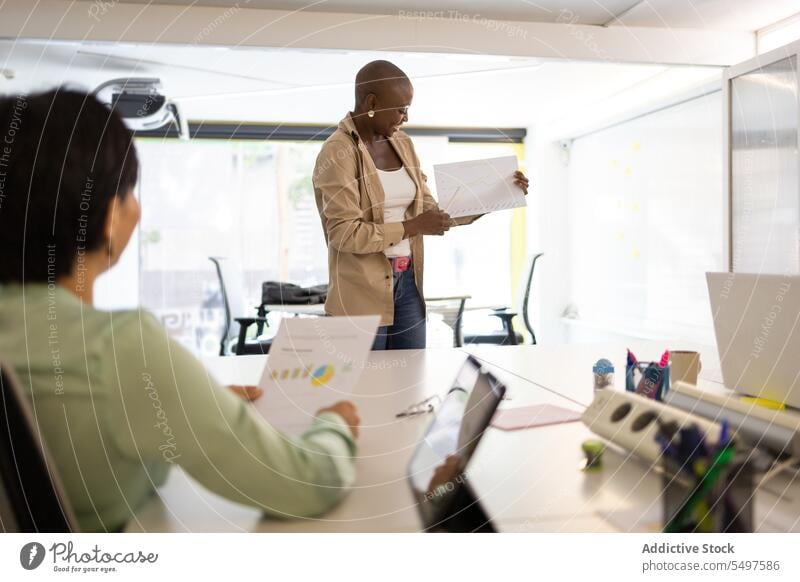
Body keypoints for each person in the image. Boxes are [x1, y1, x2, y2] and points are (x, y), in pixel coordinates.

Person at [0, 89, 360, 532]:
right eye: (130, 193)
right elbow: (307, 483)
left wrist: (185, 408)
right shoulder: (117, 347)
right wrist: (333, 425)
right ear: (111, 218)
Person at [313, 60, 529, 350]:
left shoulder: (402, 144)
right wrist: (412, 227)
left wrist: (498, 192)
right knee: (364, 391)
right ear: (372, 102)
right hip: (360, 294)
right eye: (400, 109)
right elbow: (344, 234)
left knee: (410, 382)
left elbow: (431, 213)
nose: (405, 118)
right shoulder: (338, 152)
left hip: (408, 286)